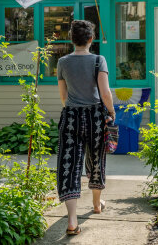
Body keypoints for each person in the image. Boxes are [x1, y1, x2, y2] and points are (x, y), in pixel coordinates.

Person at [56, 20, 115, 235]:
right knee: (96, 159)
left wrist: (72, 109)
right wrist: (111, 112)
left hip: (71, 116)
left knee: (69, 165)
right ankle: (97, 205)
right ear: (91, 39)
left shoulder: (62, 62)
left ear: (72, 39)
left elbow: (63, 96)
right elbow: (105, 92)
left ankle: (72, 221)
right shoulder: (99, 60)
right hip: (95, 117)